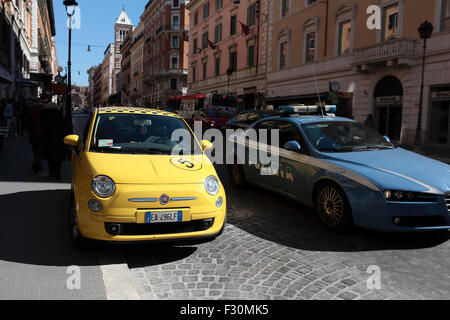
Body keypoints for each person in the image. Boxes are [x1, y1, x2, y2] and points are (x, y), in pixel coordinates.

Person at [41, 96, 67, 180]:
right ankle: (58, 173)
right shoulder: (60, 117)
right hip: (59, 140)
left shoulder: (45, 117)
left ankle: (51, 172)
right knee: (58, 158)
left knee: (49, 157)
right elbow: (65, 129)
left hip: (48, 140)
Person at [27, 99, 44, 173]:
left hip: (32, 134)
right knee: (39, 151)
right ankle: (37, 164)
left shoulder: (30, 112)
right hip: (42, 134)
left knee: (34, 149)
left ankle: (37, 162)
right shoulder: (43, 113)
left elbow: (27, 123)